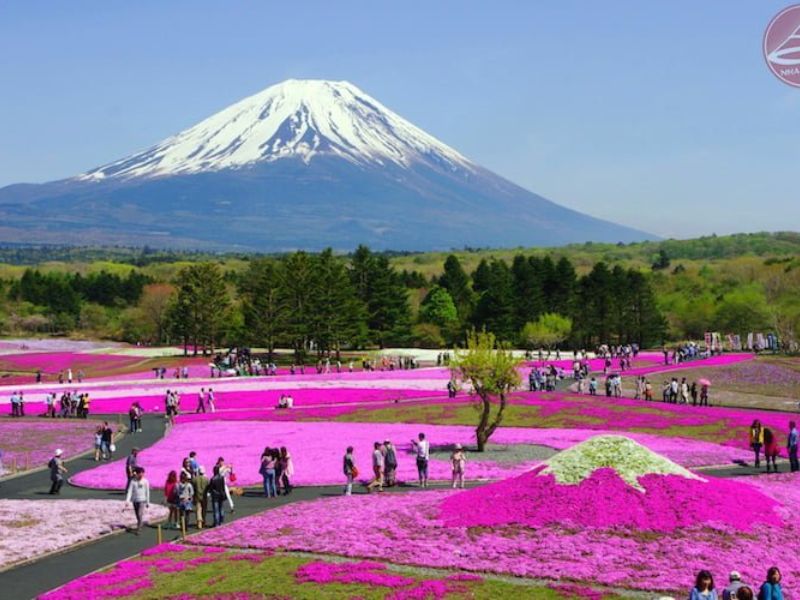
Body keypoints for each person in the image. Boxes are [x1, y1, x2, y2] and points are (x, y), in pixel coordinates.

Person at [124, 467, 150, 535]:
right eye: (140, 473)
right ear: (137, 474)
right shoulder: (133, 481)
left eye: (142, 473)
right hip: (135, 500)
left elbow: (147, 492)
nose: (141, 474)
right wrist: (127, 501)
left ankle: (139, 528)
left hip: (142, 500)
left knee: (139, 514)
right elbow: (130, 491)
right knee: (137, 515)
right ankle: (140, 523)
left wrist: (147, 502)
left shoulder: (145, 481)